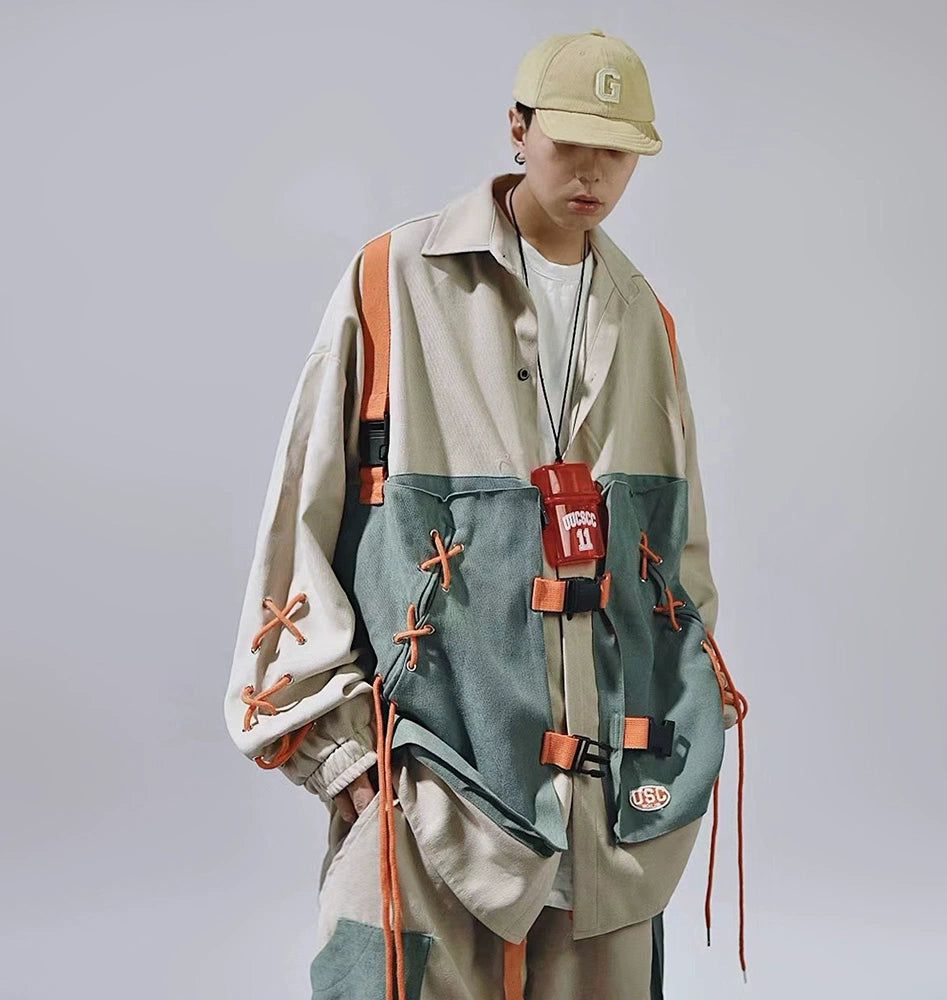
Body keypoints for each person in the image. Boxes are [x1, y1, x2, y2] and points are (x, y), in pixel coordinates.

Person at [223, 27, 748, 1000]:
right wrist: (341, 754)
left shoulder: (641, 318)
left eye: (617, 149)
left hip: (607, 825)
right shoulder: (394, 280)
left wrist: (682, 742)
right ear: (517, 127)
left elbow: (680, 562)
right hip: (429, 787)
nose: (592, 171)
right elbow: (303, 508)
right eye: (569, 139)